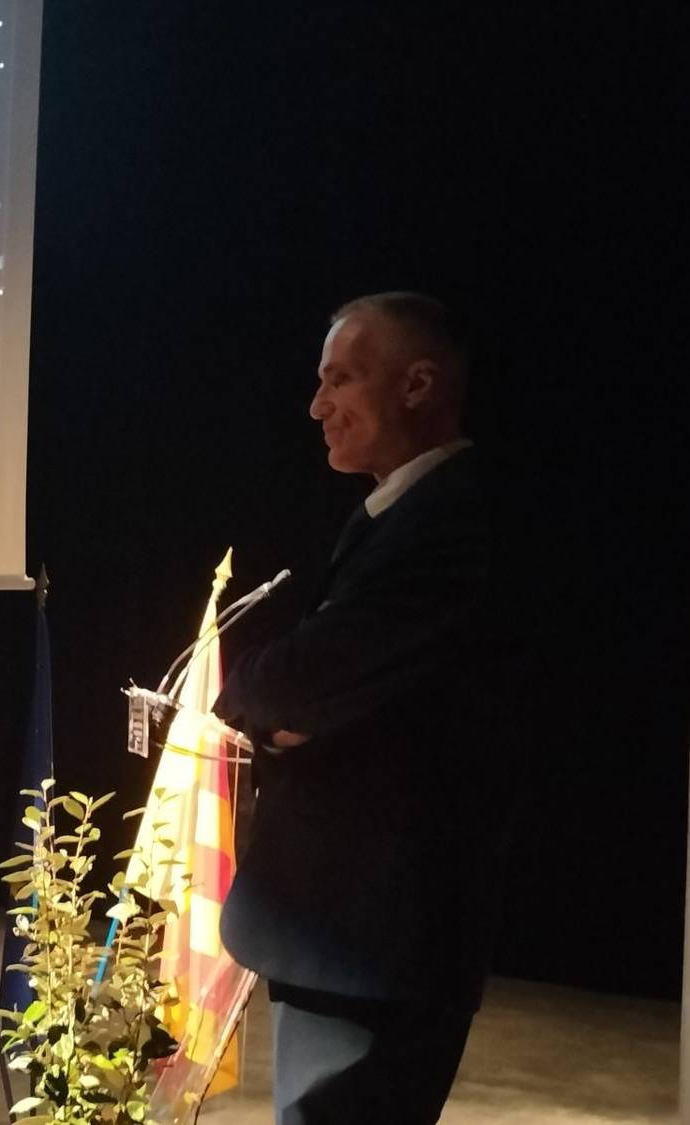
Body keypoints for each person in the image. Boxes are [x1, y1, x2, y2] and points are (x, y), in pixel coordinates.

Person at [212, 293, 512, 1124]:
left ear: (416, 383)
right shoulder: (397, 515)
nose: (317, 406)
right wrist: (287, 713)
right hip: (343, 942)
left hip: (375, 948)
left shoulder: (454, 521)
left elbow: (290, 682)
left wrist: (256, 703)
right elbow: (314, 688)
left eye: (340, 379)